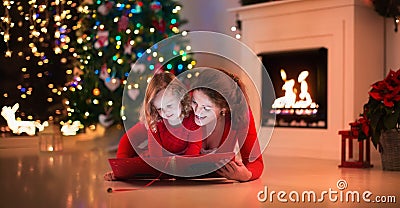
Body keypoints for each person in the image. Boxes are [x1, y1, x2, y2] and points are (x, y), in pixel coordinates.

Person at [104, 72, 202, 181]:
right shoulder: (155, 121)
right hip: (157, 161)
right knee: (139, 167)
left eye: (169, 105)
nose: (166, 112)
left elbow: (194, 147)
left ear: (181, 98)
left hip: (182, 162)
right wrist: (121, 170)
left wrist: (184, 171)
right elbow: (130, 142)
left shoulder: (193, 118)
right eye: (159, 109)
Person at [189, 68, 264, 182]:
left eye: (206, 108)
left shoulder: (240, 114)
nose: (197, 111)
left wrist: (246, 175)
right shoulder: (185, 108)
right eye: (194, 102)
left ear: (224, 108)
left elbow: (256, 162)